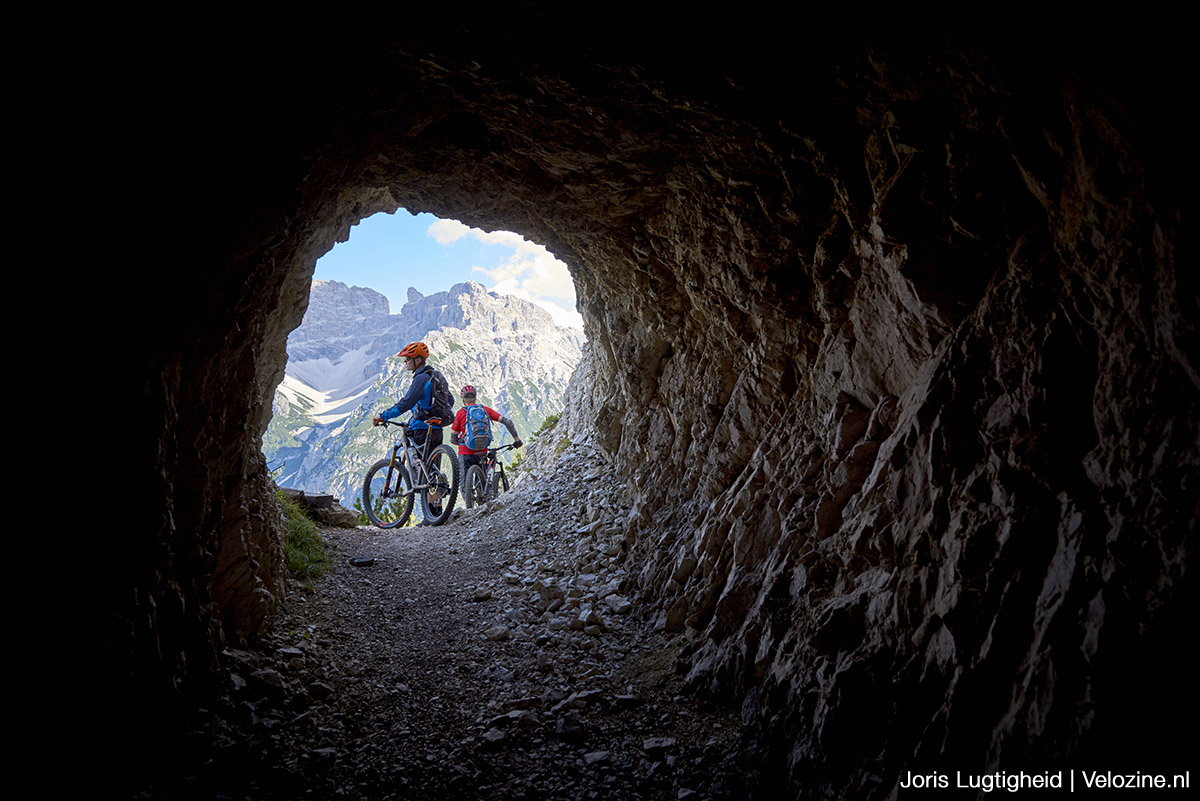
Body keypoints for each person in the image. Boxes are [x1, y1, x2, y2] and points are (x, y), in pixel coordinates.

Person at [371, 342, 453, 458]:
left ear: (417, 360)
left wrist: (383, 416)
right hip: (437, 431)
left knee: (417, 470)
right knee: (432, 472)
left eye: (408, 359)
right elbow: (450, 400)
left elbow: (405, 403)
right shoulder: (435, 377)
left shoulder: (421, 379)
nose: (405, 362)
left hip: (421, 430)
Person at [450, 384, 523, 472]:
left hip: (465, 452)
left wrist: (465, 441)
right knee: (482, 483)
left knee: (464, 484)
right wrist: (517, 440)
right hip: (482, 451)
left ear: (463, 400)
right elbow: (508, 422)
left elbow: (453, 439)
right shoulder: (485, 410)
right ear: (475, 397)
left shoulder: (460, 413)